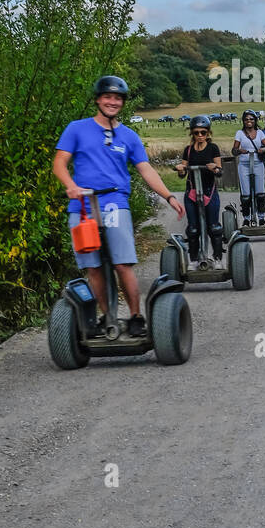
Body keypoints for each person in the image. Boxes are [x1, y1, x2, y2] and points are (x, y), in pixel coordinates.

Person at [52, 75, 184, 336]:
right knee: (93, 267)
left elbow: (146, 170)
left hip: (114, 203)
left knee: (122, 263)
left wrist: (168, 196)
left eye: (117, 98)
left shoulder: (129, 136)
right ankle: (107, 317)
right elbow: (59, 162)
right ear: (98, 100)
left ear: (122, 102)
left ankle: (136, 317)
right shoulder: (76, 129)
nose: (112, 102)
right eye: (107, 97)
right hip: (83, 206)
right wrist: (70, 184)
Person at [175, 114, 223, 267]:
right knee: (193, 229)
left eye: (203, 132)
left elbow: (220, 171)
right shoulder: (188, 150)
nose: (200, 136)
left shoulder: (213, 148)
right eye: (196, 133)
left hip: (209, 191)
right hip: (192, 193)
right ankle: (194, 261)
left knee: (213, 228)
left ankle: (217, 259)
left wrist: (214, 168)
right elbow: (182, 174)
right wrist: (181, 169)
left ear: (208, 133)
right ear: (192, 133)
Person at [231, 110, 265, 225]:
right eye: (246, 119)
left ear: (255, 120)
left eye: (251, 119)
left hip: (257, 164)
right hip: (244, 165)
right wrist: (240, 150)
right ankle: (246, 218)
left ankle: (261, 218)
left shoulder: (260, 133)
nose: (249, 121)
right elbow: (234, 150)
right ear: (243, 121)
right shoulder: (240, 133)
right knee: (246, 195)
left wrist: (263, 149)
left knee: (260, 193)